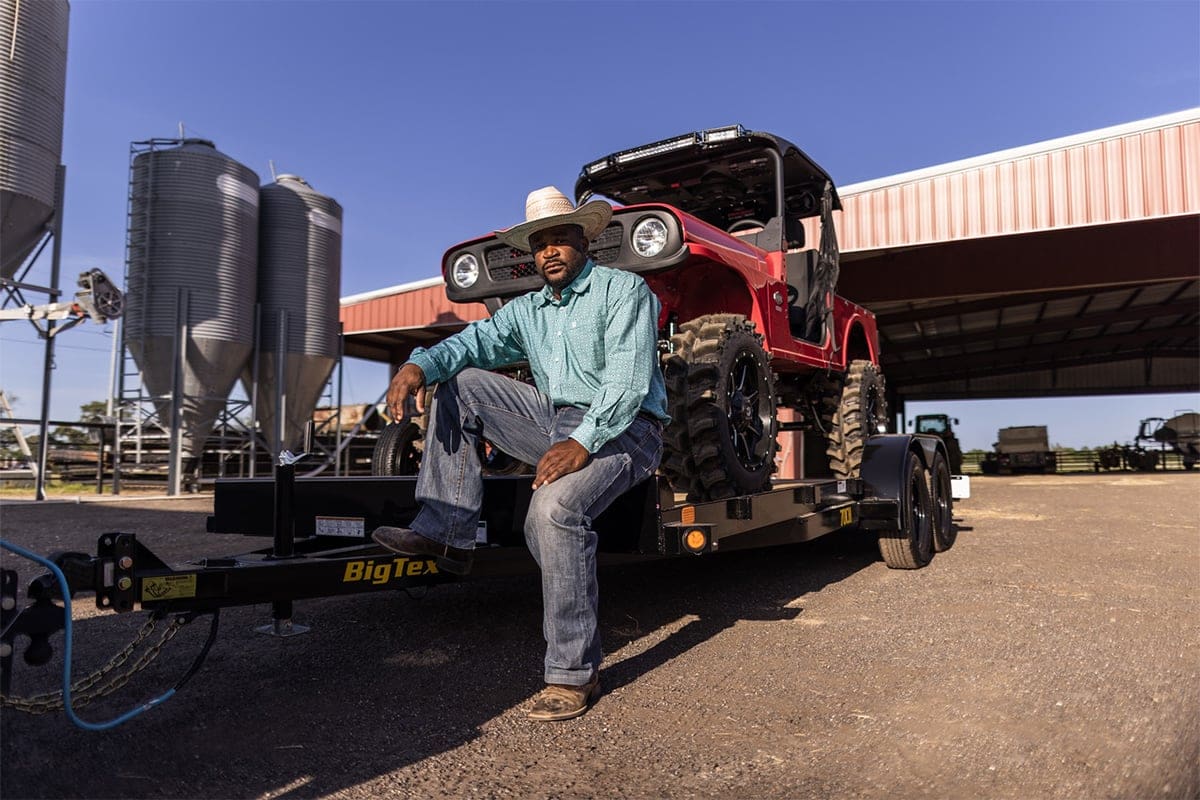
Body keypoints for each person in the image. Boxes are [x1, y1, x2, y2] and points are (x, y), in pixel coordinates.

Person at [372, 186, 670, 721]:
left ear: (586, 241)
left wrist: (582, 441)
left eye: (560, 239)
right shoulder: (528, 310)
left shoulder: (624, 291)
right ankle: (447, 529)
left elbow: (626, 384)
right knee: (460, 380)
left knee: (552, 514)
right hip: (555, 421)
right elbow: (471, 343)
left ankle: (573, 674)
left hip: (627, 428)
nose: (549, 252)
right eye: (540, 244)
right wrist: (419, 364)